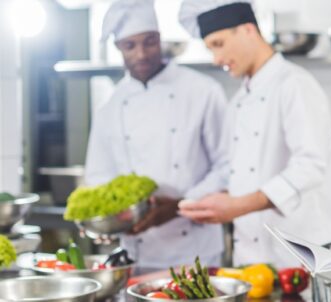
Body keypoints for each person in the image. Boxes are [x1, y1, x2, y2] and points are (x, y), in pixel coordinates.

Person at [177, 0, 331, 268]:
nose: (216, 59)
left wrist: (238, 206)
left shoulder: (295, 84)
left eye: (218, 44)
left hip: (302, 260)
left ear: (247, 30)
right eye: (210, 49)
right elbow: (232, 172)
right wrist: (191, 202)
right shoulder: (238, 103)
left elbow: (310, 166)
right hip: (251, 261)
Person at [85, 0, 228, 268]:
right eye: (130, 45)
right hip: (136, 252)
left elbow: (227, 166)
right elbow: (99, 177)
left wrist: (181, 205)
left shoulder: (203, 91)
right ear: (118, 48)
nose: (141, 54)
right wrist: (101, 217)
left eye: (149, 42)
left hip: (195, 249)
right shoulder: (110, 107)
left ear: (160, 39)